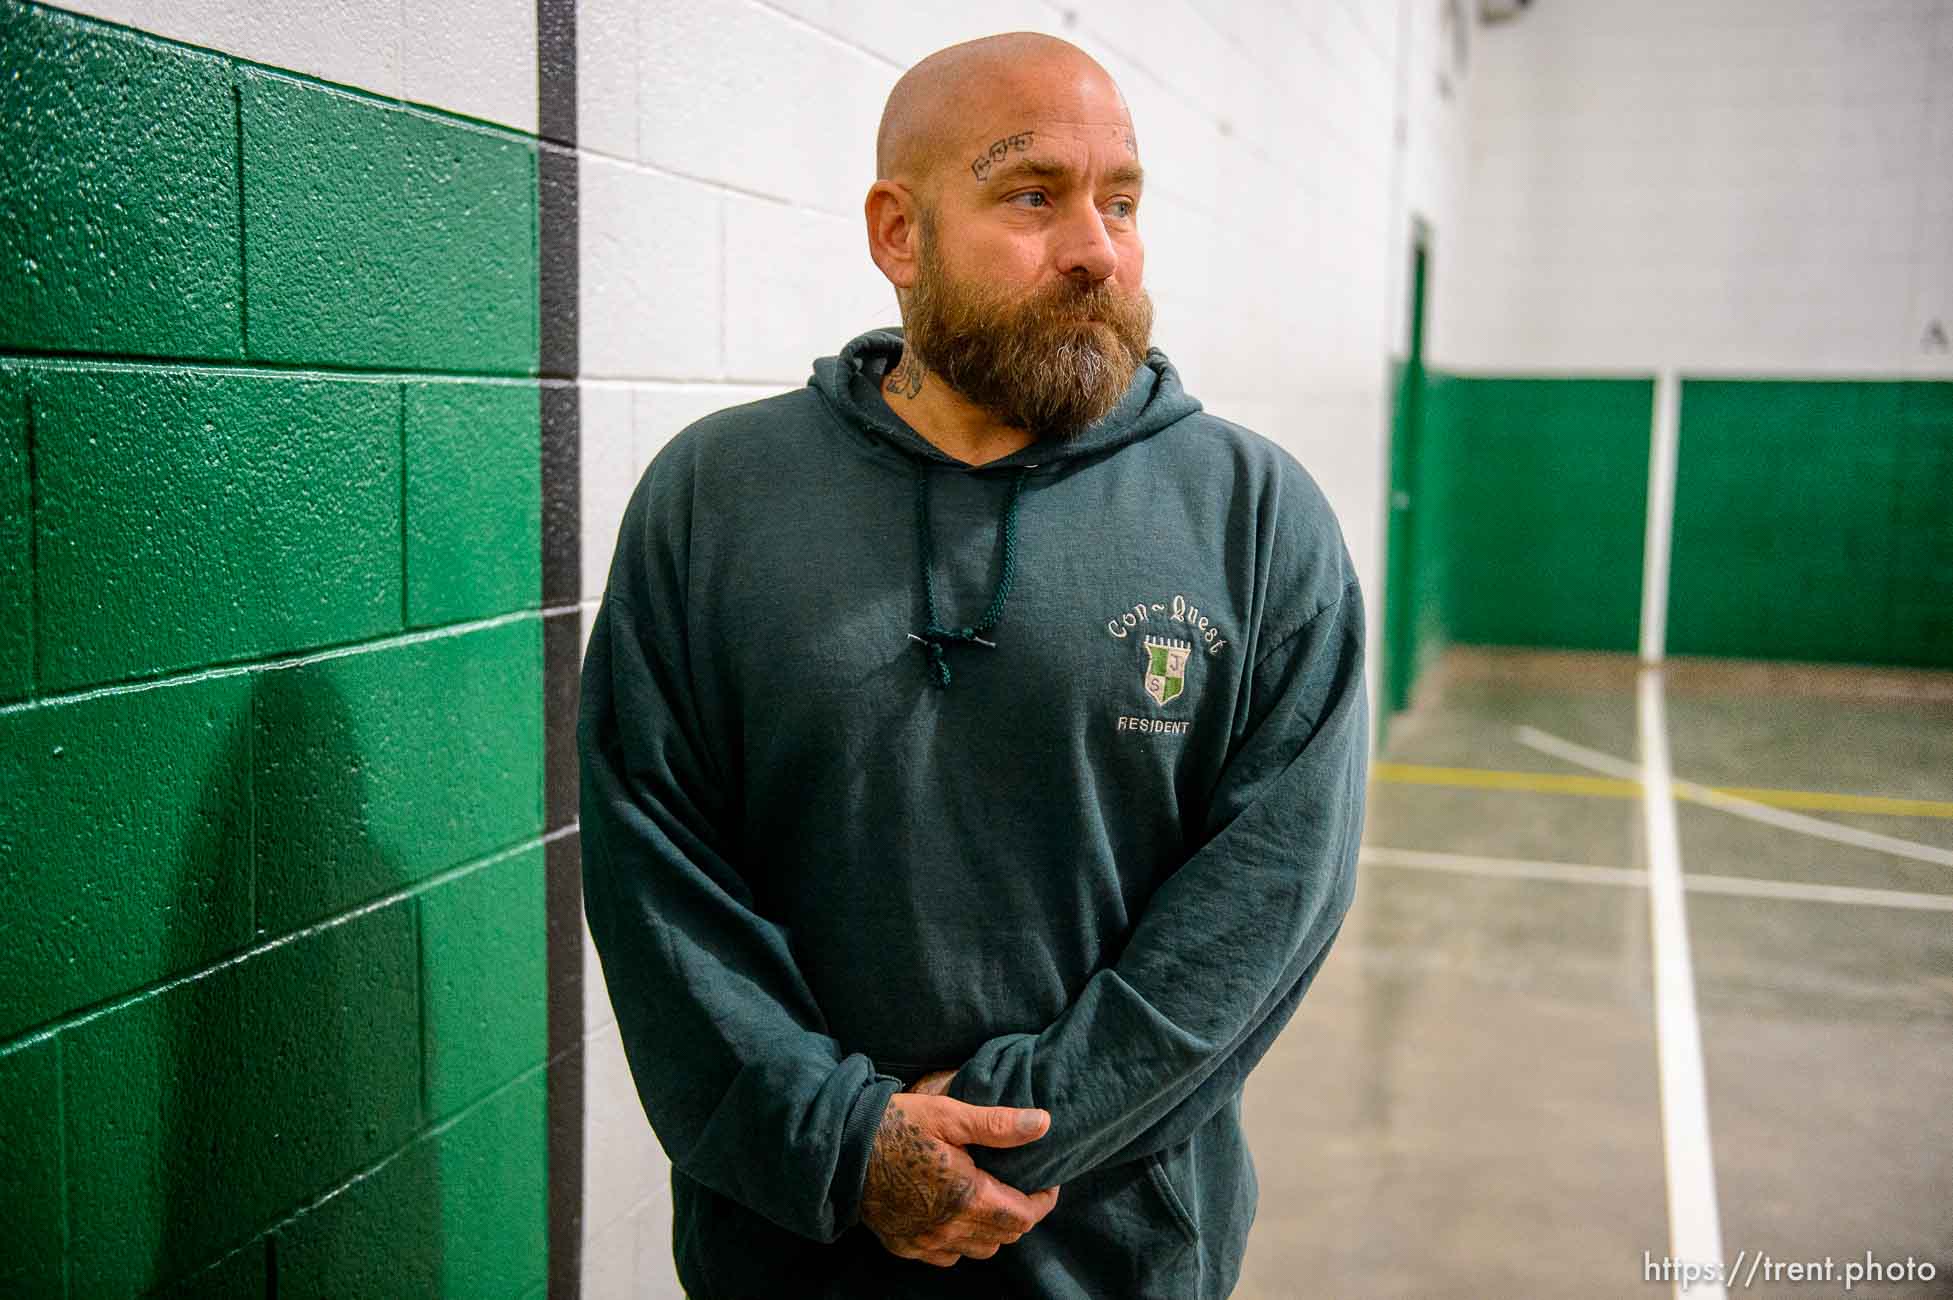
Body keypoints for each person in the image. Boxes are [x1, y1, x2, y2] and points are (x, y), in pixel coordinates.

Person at [577, 30, 1368, 1299]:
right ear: (899, 233)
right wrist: (846, 1142)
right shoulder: (714, 499)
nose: (1095, 248)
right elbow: (655, 877)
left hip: (1117, 1250)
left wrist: (1018, 1122)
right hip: (787, 1248)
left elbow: (1269, 904)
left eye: (1121, 202)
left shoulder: (1257, 516)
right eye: (1031, 195)